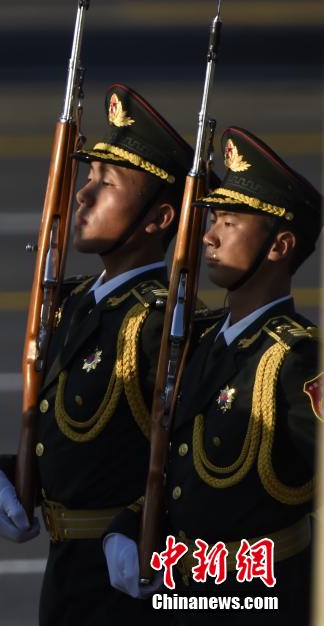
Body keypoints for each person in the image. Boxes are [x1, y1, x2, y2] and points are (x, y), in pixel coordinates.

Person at [0, 84, 194, 624]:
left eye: (107, 183)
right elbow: (81, 443)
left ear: (159, 218)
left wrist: (154, 531)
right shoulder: (73, 303)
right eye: (88, 177)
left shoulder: (161, 324)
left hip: (132, 590)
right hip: (68, 579)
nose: (83, 194)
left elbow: (203, 468)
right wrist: (4, 471)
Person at [104, 127, 321, 624]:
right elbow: (177, 470)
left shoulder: (297, 358)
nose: (208, 235)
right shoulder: (200, 340)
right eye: (213, 218)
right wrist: (128, 525)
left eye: (229, 221)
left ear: (279, 246)